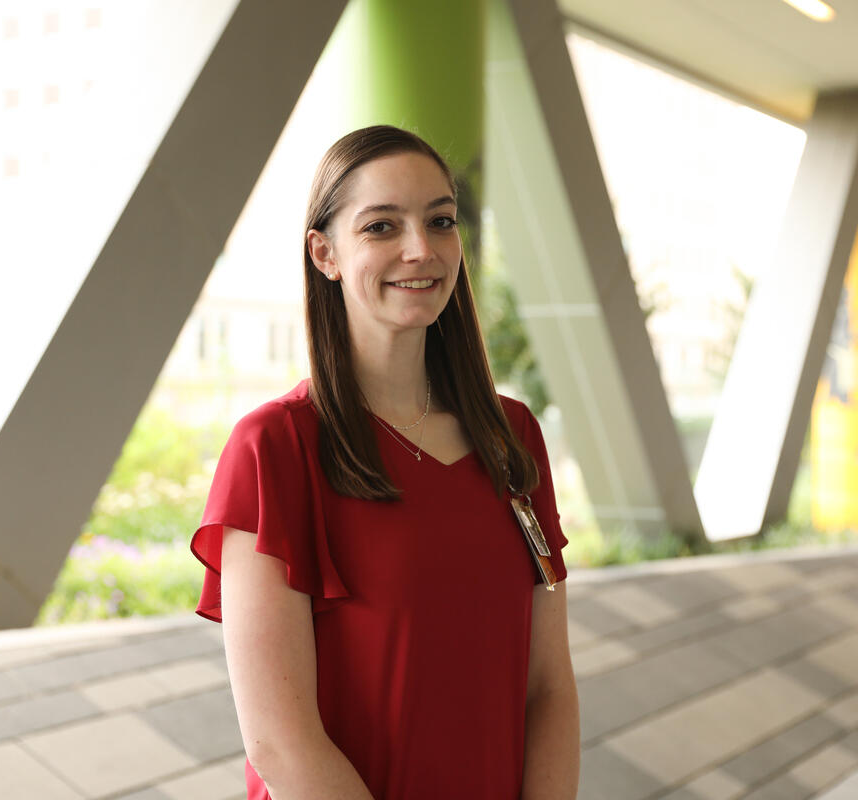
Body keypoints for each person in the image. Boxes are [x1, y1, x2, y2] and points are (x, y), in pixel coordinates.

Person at [190, 125, 579, 799]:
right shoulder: (274, 451)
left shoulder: (511, 436)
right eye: (380, 227)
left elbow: (548, 688)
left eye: (441, 220)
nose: (420, 250)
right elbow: (282, 744)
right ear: (325, 253)